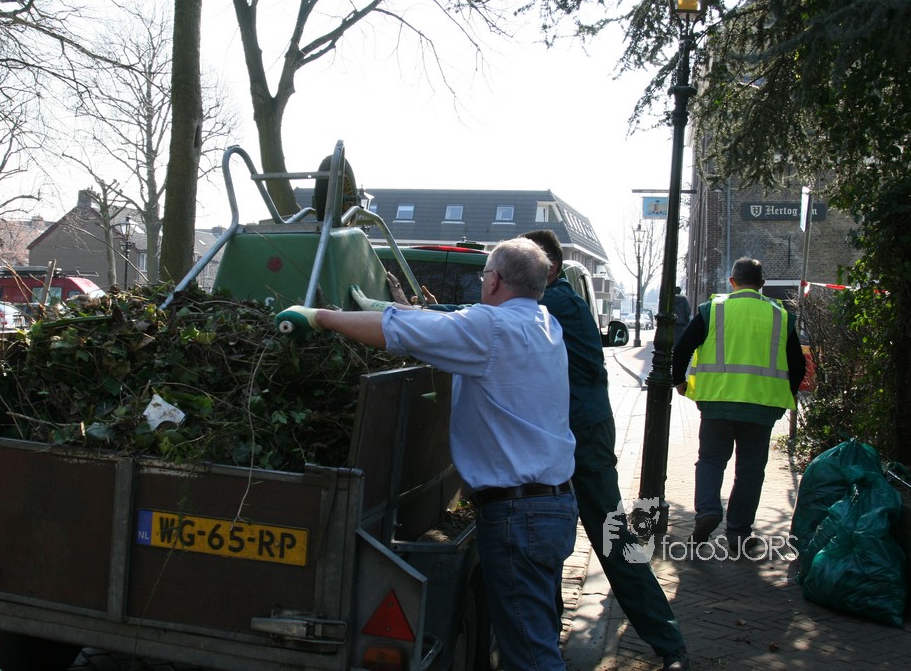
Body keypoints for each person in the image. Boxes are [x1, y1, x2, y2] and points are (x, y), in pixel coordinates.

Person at [276, 238, 579, 671]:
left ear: (494, 281)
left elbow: (398, 331)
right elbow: (448, 324)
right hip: (554, 506)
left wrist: (320, 317)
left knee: (531, 658)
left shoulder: (492, 328)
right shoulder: (545, 324)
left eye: (483, 276)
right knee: (536, 635)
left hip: (518, 517)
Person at [519, 230, 690, 671]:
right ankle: (548, 636)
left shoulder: (554, 302)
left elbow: (486, 318)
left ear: (549, 269)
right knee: (548, 533)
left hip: (582, 440)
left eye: (522, 268)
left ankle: (668, 642)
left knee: (612, 539)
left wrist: (414, 312)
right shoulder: (555, 300)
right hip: (564, 435)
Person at [673, 257, 806, 552]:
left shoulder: (713, 309)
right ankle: (738, 532)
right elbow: (798, 365)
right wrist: (786, 395)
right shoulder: (780, 315)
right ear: (762, 284)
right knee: (750, 471)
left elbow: (682, 347)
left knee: (710, 461)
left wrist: (678, 381)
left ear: (732, 282)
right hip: (761, 407)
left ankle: (708, 511)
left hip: (717, 403)